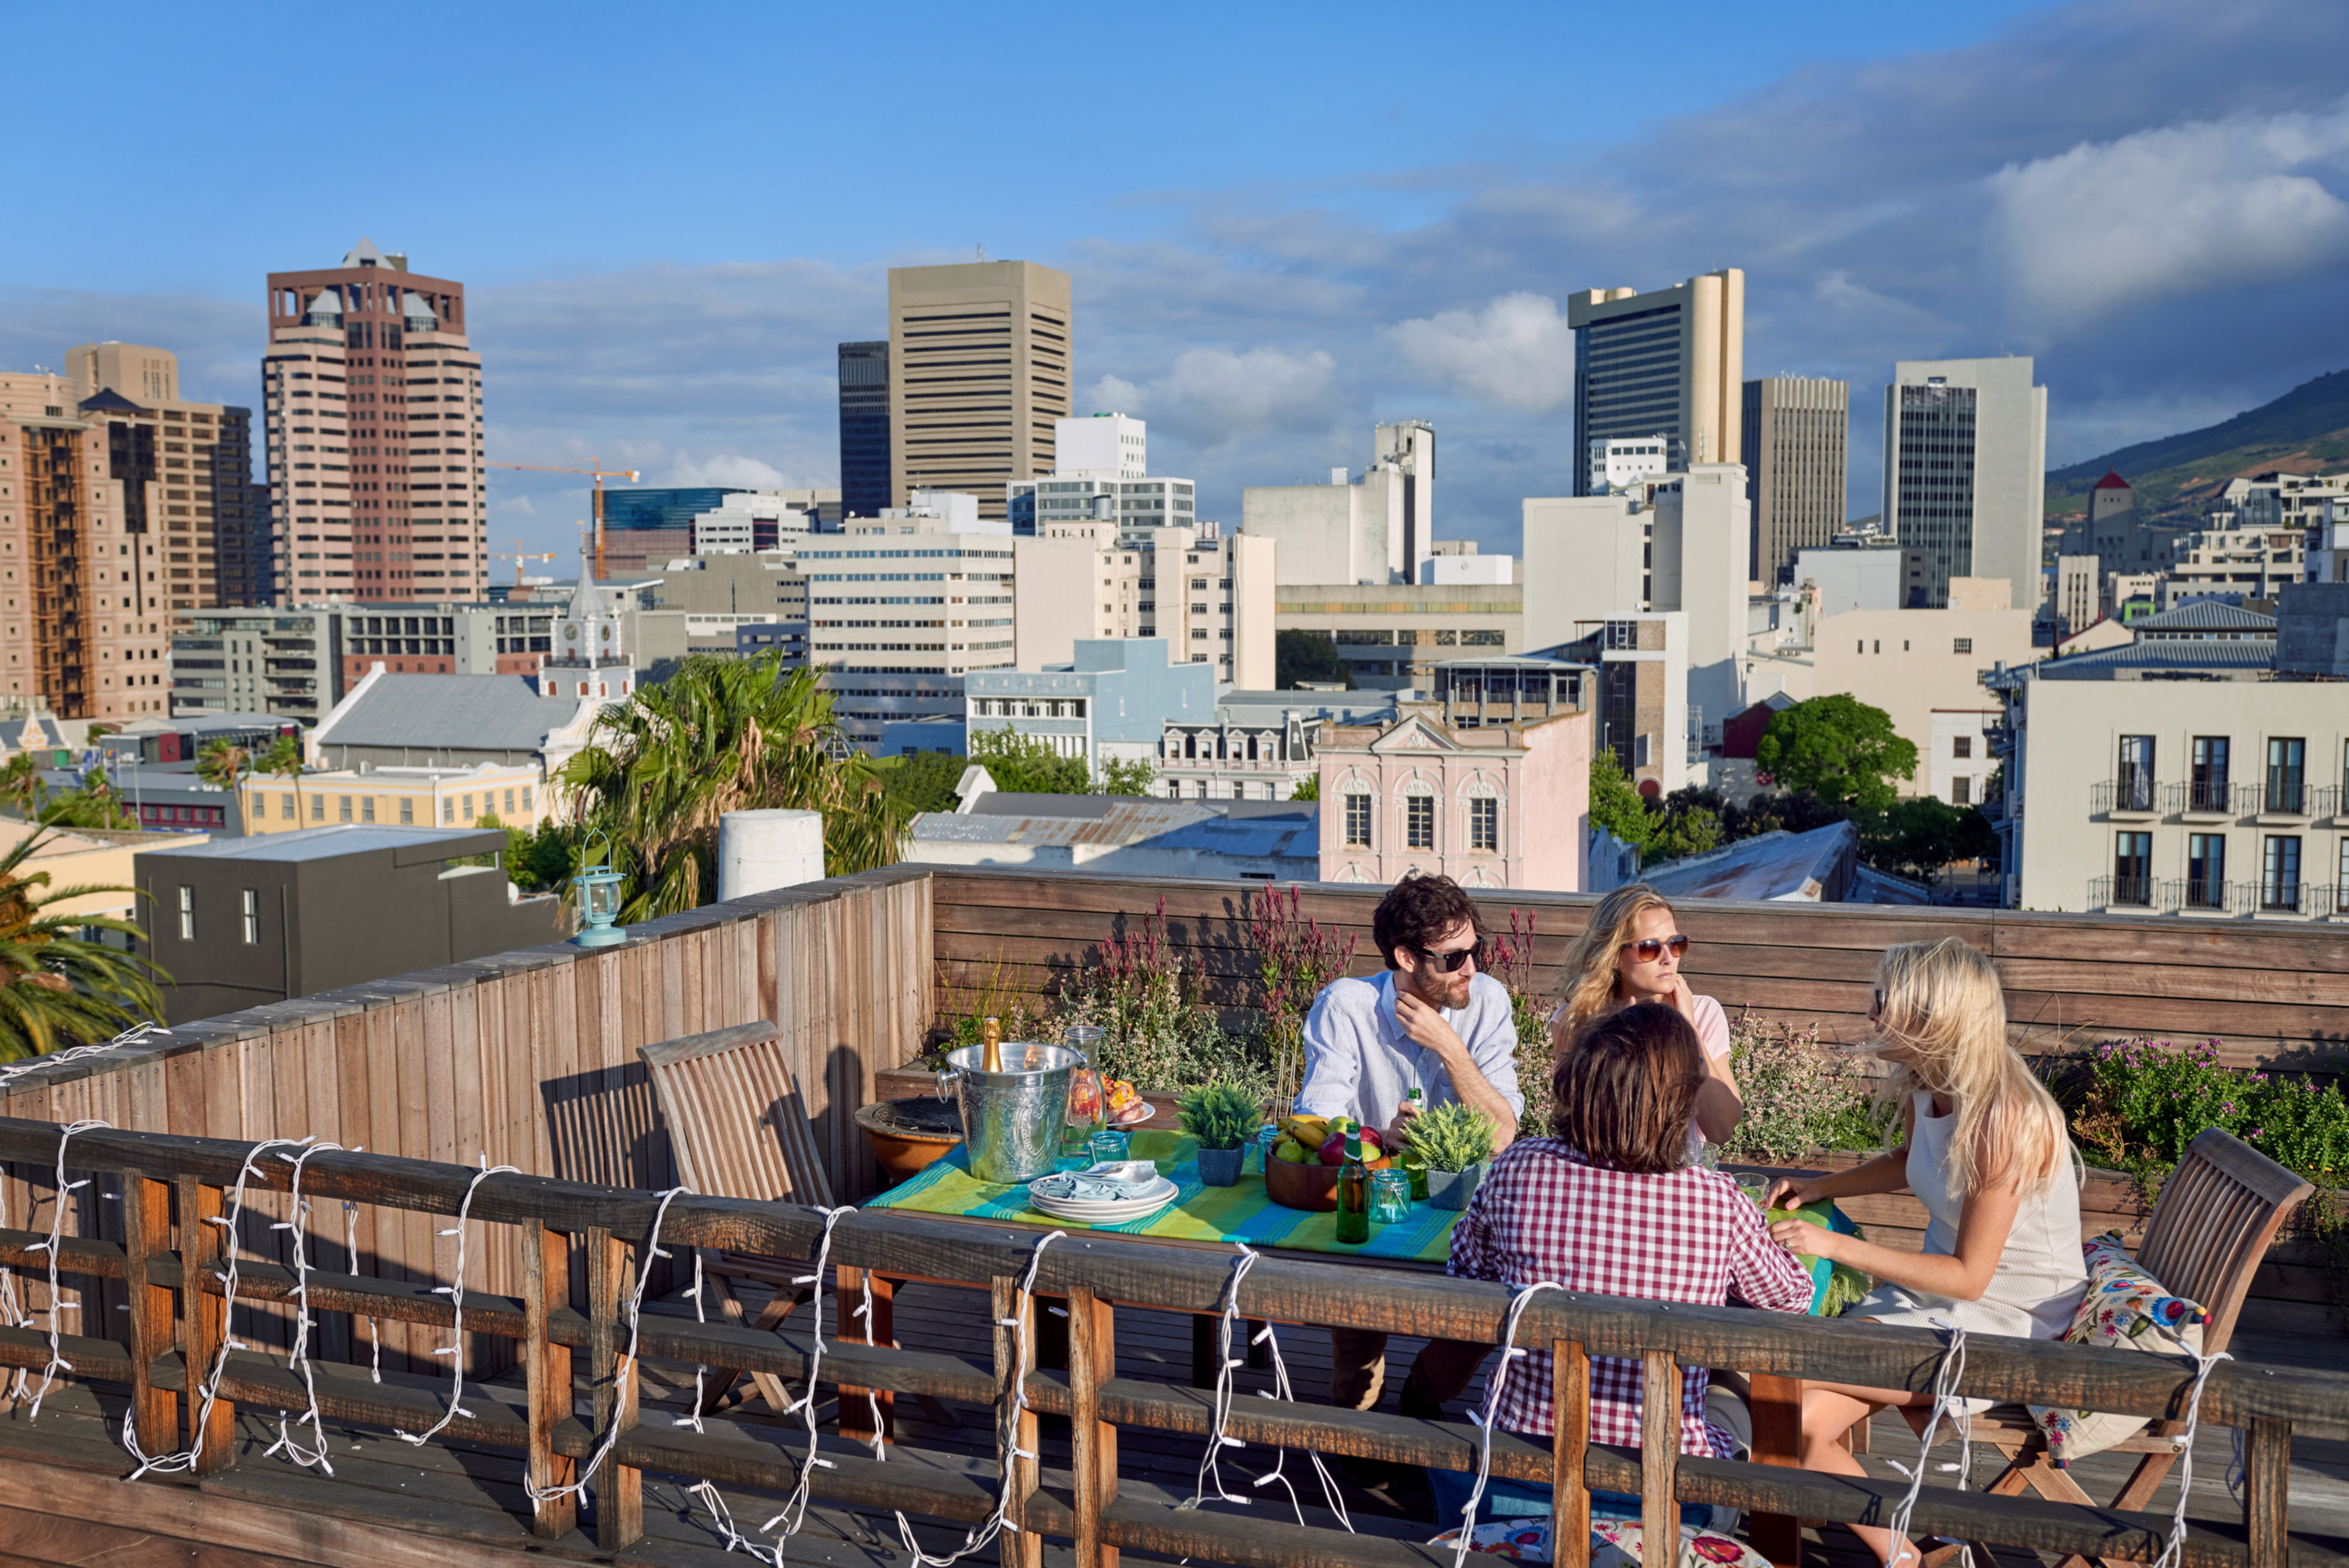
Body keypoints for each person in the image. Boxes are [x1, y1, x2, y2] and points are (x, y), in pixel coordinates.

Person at [1428, 1001, 1815, 1529]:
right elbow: (1792, 1298)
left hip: (1513, 1481)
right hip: (1662, 1506)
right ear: (1682, 1102)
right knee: (1730, 1393)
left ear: (1580, 1083)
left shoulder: (1517, 1168)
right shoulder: (1716, 1200)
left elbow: (1467, 1277)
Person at [1765, 937, 2087, 1568]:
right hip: (1931, 1302)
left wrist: (1834, 1245)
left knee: (1779, 1380)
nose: (1871, 1011)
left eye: (1884, 1000)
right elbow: (1910, 1161)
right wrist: (1821, 1186)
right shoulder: (1929, 1085)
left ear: (1933, 1018)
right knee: (1791, 1418)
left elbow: (1970, 1279)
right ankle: (1907, 1557)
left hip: (2007, 1321)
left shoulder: (2005, 1117)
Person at [1294, 872, 1524, 1414]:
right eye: (1453, 958)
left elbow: (1502, 1134)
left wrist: (1449, 1047)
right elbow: (1316, 1122)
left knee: (1485, 1311)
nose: (1471, 967)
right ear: (1406, 957)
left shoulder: (1486, 1001)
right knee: (1356, 1309)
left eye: (1476, 950)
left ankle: (1421, 1395)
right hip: (1376, 1200)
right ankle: (1356, 1426)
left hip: (1464, 1208)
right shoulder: (1346, 1006)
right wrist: (1379, 1139)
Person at [1552, 883, 1742, 1150]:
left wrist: (1688, 1030)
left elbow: (1721, 1130)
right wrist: (1619, 1042)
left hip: (1679, 1170)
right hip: (1602, 1168)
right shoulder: (1576, 1020)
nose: (1668, 958)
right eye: (1649, 948)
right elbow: (1580, 1125)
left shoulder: (1702, 1013)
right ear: (1614, 956)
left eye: (1676, 944)